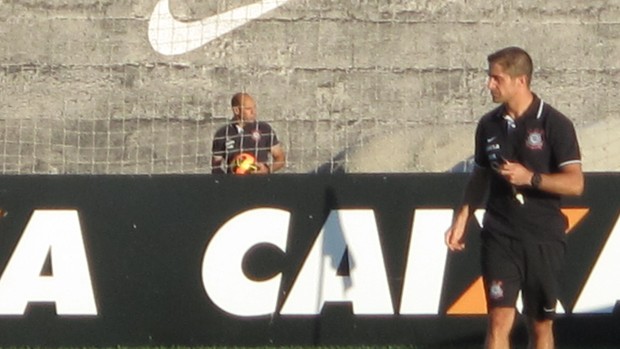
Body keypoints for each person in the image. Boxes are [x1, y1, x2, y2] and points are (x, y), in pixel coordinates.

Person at [445, 47, 584, 349]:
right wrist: (462, 218)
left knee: (540, 325)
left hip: (542, 237)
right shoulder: (488, 125)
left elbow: (575, 184)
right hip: (499, 236)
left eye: (496, 78)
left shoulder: (554, 124)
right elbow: (479, 176)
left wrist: (530, 178)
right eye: (489, 78)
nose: (489, 84)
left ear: (520, 80)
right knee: (498, 320)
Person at [211, 92, 286, 174]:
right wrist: (227, 181)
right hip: (235, 184)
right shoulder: (222, 134)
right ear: (236, 110)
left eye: (254, 108)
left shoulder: (264, 129)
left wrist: (267, 169)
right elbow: (215, 167)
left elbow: (280, 158)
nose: (253, 112)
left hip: (260, 183)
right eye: (248, 109)